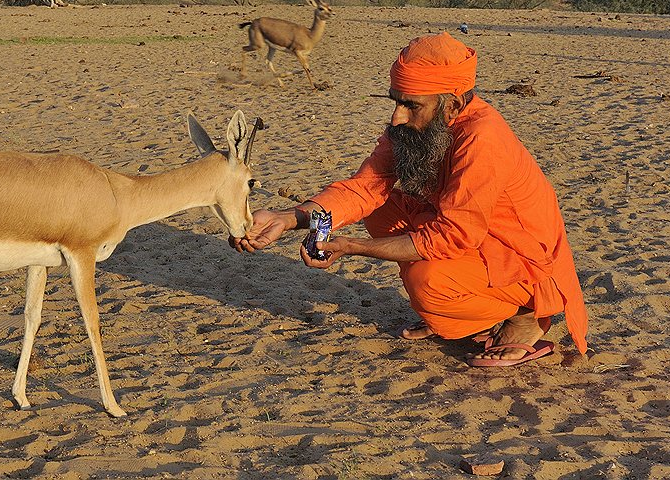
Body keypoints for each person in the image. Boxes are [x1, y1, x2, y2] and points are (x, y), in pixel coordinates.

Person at [232, 32, 588, 367]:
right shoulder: (412, 127)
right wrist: (288, 218)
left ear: (453, 105)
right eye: (396, 102)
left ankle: (526, 316)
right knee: (381, 207)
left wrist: (352, 246)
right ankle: (461, 315)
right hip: (470, 240)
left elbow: (454, 236)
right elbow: (364, 188)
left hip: (522, 260)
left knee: (428, 283)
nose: (396, 117)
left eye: (410, 105)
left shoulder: (483, 138)